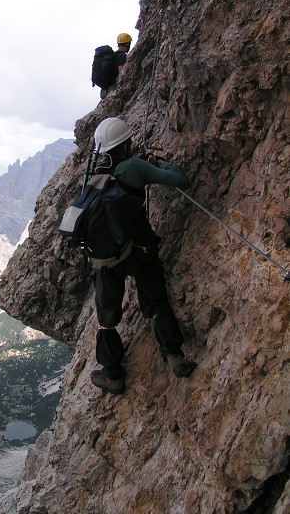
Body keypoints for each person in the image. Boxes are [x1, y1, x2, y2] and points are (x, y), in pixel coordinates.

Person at [90, 117, 197, 394]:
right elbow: (179, 180)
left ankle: (112, 374)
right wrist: (159, 164)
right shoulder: (136, 167)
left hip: (107, 257)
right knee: (156, 300)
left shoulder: (94, 174)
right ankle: (173, 354)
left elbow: (119, 178)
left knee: (106, 317)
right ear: (125, 144)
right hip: (139, 250)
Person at [100, 33, 132, 99]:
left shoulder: (113, 55)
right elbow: (122, 73)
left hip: (104, 91)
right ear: (127, 44)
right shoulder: (122, 56)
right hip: (113, 89)